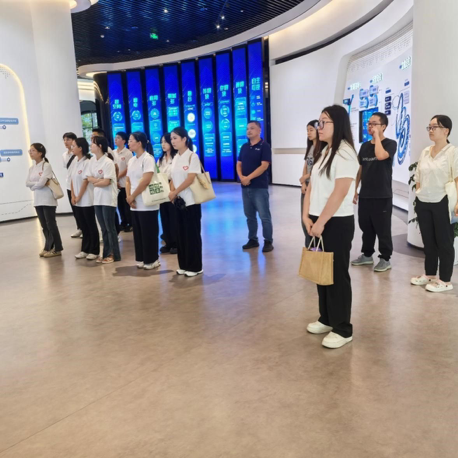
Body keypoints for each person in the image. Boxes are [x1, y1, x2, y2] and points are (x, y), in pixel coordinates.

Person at [302, 105, 359, 349]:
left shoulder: (345, 153)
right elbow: (311, 186)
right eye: (319, 122)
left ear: (339, 124)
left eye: (324, 122)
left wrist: (321, 222)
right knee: (320, 271)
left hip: (335, 222)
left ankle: (343, 328)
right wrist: (306, 216)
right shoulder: (324, 151)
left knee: (337, 276)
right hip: (316, 220)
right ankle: (326, 318)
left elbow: (340, 191)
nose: (319, 127)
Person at [411, 115, 458, 293]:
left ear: (446, 130)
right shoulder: (425, 151)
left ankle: (445, 280)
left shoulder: (452, 152)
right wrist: (419, 192)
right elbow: (418, 176)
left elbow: (457, 178)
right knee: (428, 241)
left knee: (444, 241)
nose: (430, 130)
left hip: (442, 201)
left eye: (434, 127)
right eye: (429, 127)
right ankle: (430, 274)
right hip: (424, 201)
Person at [352, 113, 397, 272]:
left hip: (382, 195)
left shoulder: (390, 144)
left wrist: (377, 137)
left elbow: (380, 155)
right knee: (366, 226)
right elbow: (360, 169)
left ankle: (385, 258)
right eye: (369, 123)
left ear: (383, 126)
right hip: (366, 194)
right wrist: (355, 189)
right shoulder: (364, 146)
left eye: (374, 124)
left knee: (383, 228)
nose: (370, 126)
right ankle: (367, 255)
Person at [168, 127, 203, 277]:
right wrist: (172, 193)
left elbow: (190, 179)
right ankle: (184, 265)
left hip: (191, 202)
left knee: (192, 235)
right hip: (178, 202)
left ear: (184, 139)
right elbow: (172, 178)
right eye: (171, 138)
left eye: (175, 138)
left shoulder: (192, 156)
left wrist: (175, 192)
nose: (172, 141)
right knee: (181, 235)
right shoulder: (175, 157)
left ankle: (195, 267)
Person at [236, 120, 273, 253]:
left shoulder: (264, 146)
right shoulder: (244, 147)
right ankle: (253, 239)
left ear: (259, 130)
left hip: (259, 187)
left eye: (252, 128)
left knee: (264, 216)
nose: (249, 131)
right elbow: (239, 164)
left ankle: (268, 241)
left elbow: (264, 166)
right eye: (247, 128)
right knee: (249, 216)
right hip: (245, 187)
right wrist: (241, 177)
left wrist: (248, 178)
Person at [126, 131, 161, 270]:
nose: (129, 143)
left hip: (147, 202)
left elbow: (146, 180)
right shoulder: (131, 160)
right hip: (134, 202)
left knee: (149, 232)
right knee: (138, 232)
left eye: (131, 140)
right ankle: (141, 258)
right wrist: (129, 197)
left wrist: (133, 196)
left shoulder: (148, 159)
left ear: (139, 143)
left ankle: (152, 259)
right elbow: (128, 180)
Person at [86, 136, 121, 264]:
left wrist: (96, 181)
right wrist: (98, 180)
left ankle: (114, 254)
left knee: (110, 227)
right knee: (103, 228)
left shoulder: (108, 162)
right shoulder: (92, 161)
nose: (90, 146)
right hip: (97, 199)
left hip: (108, 198)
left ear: (100, 146)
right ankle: (106, 253)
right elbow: (88, 178)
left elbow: (107, 182)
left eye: (93, 144)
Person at [26, 143, 63, 258]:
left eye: (33, 150)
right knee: (44, 226)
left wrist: (34, 185)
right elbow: (27, 183)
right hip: (38, 200)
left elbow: (42, 183)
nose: (30, 152)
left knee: (51, 224)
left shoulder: (46, 166)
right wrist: (37, 185)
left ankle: (57, 248)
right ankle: (48, 247)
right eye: (30, 150)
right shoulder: (32, 168)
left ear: (40, 153)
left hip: (48, 199)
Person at [70, 138, 100, 261]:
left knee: (90, 225)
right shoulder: (75, 162)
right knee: (83, 226)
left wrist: (78, 196)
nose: (71, 148)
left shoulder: (88, 162)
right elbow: (72, 180)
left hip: (87, 199)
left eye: (73, 146)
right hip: (77, 200)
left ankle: (94, 250)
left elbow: (85, 181)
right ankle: (85, 249)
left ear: (80, 148)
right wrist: (73, 195)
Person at [300, 120, 322, 246]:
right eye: (307, 130)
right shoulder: (310, 147)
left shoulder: (322, 148)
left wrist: (306, 177)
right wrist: (303, 182)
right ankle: (309, 246)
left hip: (316, 186)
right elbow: (306, 165)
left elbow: (319, 168)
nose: (308, 133)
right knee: (304, 219)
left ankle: (314, 246)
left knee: (313, 218)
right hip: (307, 186)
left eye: (311, 130)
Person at [158, 133, 178, 255]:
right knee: (164, 217)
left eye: (165, 142)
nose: (163, 144)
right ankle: (168, 242)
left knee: (173, 218)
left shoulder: (176, 158)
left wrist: (172, 191)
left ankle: (176, 243)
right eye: (162, 142)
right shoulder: (160, 159)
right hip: (162, 190)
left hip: (173, 189)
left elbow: (175, 176)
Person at [62, 132, 81, 238]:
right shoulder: (64, 155)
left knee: (81, 208)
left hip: (78, 184)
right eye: (64, 140)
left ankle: (85, 228)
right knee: (74, 208)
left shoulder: (78, 154)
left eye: (68, 139)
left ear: (74, 140)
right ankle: (79, 228)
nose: (66, 142)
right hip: (69, 185)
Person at [114, 132, 133, 232]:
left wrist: (117, 177)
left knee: (126, 205)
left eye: (118, 138)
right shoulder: (113, 152)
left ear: (124, 141)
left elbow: (128, 168)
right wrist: (115, 180)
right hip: (116, 183)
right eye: (115, 137)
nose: (115, 139)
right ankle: (123, 222)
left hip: (125, 183)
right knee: (120, 205)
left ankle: (130, 223)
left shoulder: (128, 153)